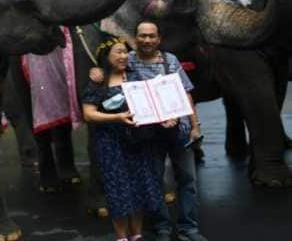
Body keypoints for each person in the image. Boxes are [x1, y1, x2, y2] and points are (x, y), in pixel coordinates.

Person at [91, 21, 206, 241]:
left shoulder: (169, 60)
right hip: (149, 133)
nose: (147, 40)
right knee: (154, 181)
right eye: (142, 36)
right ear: (135, 38)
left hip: (178, 128)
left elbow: (185, 93)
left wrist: (194, 125)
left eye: (152, 36)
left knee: (188, 180)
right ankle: (162, 226)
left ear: (159, 39)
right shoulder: (128, 60)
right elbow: (107, 67)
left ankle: (188, 228)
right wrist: (96, 71)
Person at [82, 38, 163, 241]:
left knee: (140, 189)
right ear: (106, 57)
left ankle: (136, 235)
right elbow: (89, 114)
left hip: (139, 142)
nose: (123, 56)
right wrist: (116, 117)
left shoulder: (136, 77)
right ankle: (121, 237)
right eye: (118, 52)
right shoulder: (98, 82)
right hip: (111, 145)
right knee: (119, 191)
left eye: (126, 52)